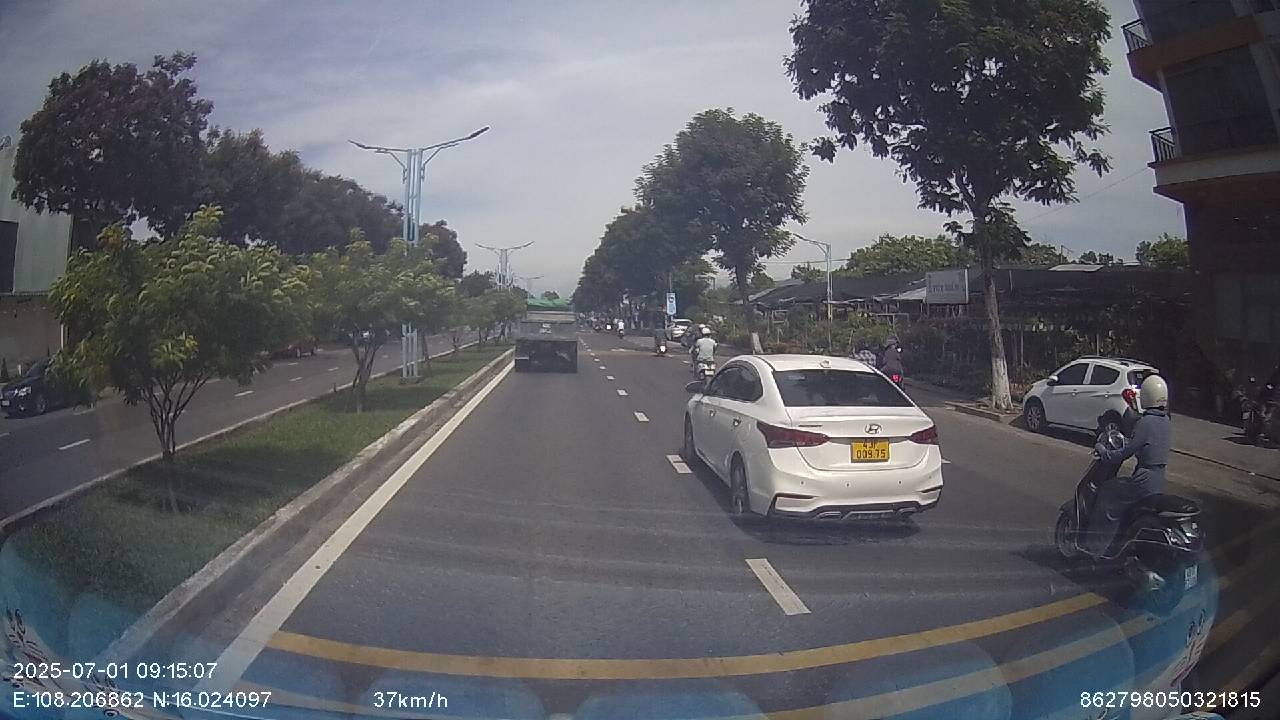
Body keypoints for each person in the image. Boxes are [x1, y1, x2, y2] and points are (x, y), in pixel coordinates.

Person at [1085, 374, 1172, 554]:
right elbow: (1143, 445)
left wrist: (1104, 452)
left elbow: (1125, 453)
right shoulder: (1166, 421)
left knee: (1108, 491)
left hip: (1142, 481)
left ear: (1146, 396)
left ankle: (1099, 547)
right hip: (1158, 480)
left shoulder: (1146, 422)